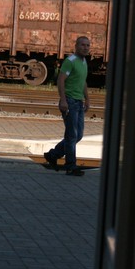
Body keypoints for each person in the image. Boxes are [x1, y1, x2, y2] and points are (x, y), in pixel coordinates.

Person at [44, 36, 91, 176]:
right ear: (76, 46)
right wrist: (63, 100)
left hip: (79, 102)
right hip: (70, 102)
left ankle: (53, 155)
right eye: (82, 45)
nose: (85, 48)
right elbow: (61, 80)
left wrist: (87, 99)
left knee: (78, 135)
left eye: (87, 45)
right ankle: (70, 166)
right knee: (71, 135)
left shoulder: (84, 62)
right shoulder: (70, 61)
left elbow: (83, 82)